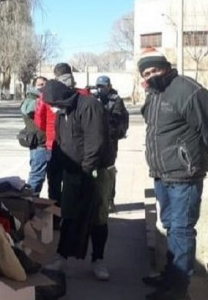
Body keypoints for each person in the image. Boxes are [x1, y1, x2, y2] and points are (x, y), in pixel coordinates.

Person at [137, 47, 208, 300]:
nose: (151, 75)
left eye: (155, 70)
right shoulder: (153, 94)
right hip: (162, 175)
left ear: (166, 67)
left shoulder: (186, 89)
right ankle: (170, 276)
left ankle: (178, 290)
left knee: (182, 230)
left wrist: (197, 157)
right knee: (170, 228)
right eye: (146, 72)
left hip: (184, 176)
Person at [41, 80, 109, 278]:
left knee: (97, 217)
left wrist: (87, 170)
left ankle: (98, 259)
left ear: (64, 99)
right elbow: (60, 142)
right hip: (72, 171)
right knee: (69, 214)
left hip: (95, 171)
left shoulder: (89, 106)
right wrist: (56, 165)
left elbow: (95, 141)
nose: (53, 109)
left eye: (55, 104)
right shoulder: (63, 113)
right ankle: (62, 256)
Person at [35, 63, 90, 205]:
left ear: (55, 76)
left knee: (54, 182)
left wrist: (49, 132)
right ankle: (72, 212)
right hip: (76, 146)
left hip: (52, 145)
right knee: (74, 181)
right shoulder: (82, 95)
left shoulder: (45, 97)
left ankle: (55, 214)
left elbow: (39, 122)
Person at [95, 75, 129, 212]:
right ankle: (97, 198)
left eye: (103, 86)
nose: (100, 89)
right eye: (98, 86)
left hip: (110, 141)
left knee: (109, 171)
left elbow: (116, 119)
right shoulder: (94, 98)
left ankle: (109, 199)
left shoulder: (116, 100)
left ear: (109, 86)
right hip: (96, 140)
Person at [20, 76, 48, 193]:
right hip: (39, 145)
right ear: (34, 86)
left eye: (45, 85)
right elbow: (26, 108)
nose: (43, 87)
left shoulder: (47, 98)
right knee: (36, 177)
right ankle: (29, 204)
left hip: (48, 143)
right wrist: (41, 101)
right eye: (40, 85)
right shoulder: (30, 99)